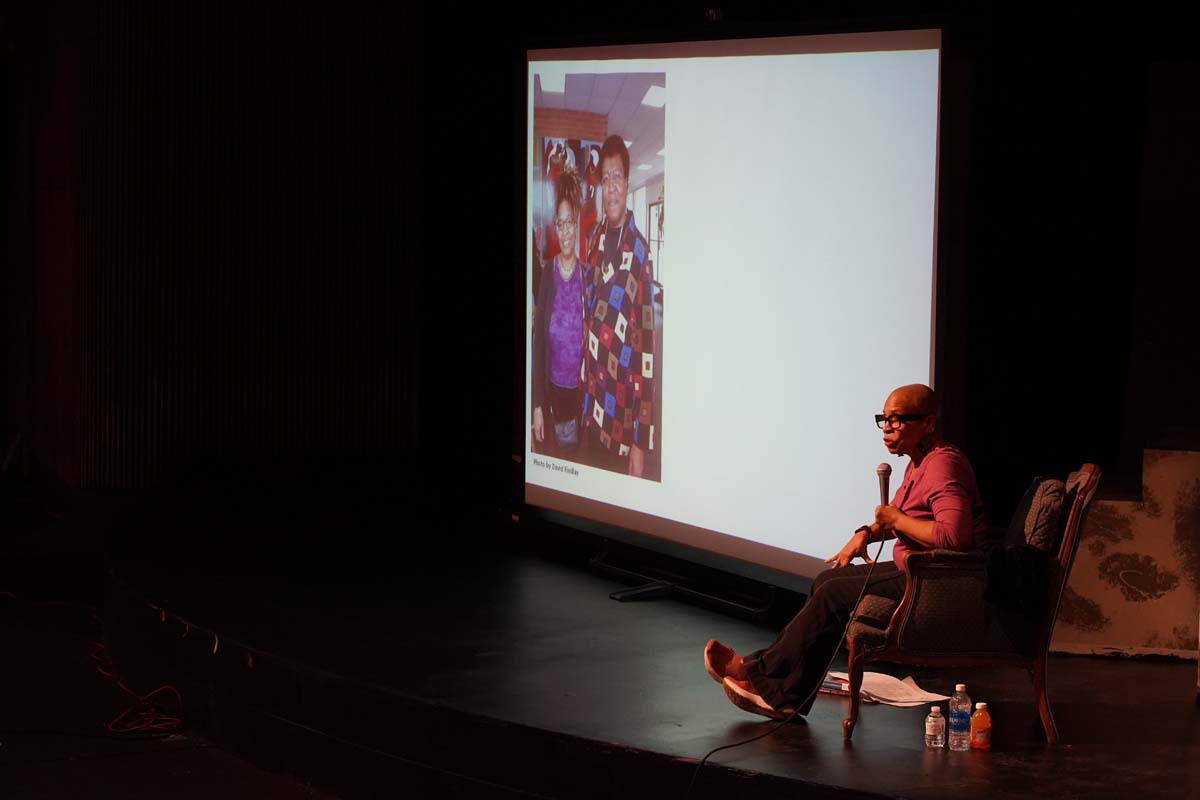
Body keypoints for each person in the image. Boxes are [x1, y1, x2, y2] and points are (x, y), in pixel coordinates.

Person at [704, 384, 988, 719]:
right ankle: (786, 696)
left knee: (833, 595)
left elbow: (954, 536)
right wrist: (866, 533)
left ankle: (761, 674)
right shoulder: (918, 463)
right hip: (917, 569)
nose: (887, 428)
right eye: (884, 419)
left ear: (928, 423)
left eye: (898, 421)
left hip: (941, 581)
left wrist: (896, 519)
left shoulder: (943, 465)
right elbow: (898, 517)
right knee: (828, 579)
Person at [580, 134, 656, 478]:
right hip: (592, 403)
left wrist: (640, 444)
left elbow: (647, 355)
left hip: (622, 416)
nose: (611, 188)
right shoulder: (594, 239)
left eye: (617, 178)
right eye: (605, 179)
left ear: (627, 183)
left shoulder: (640, 253)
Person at [531, 168, 586, 458]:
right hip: (551, 398)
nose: (565, 231)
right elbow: (538, 342)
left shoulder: (586, 277)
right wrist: (537, 405)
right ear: (555, 226)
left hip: (578, 400)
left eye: (570, 223)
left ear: (577, 225)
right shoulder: (547, 276)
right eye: (560, 224)